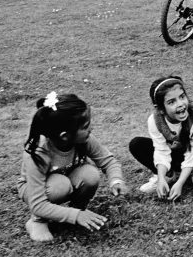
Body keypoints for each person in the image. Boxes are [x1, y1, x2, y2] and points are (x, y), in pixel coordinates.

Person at [18, 92, 128, 243]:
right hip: (36, 190)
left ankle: (78, 208)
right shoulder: (38, 152)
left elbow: (108, 161)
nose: (91, 128)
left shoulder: (84, 139)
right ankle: (38, 221)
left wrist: (116, 180)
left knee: (90, 174)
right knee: (59, 185)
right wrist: (75, 216)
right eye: (86, 126)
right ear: (65, 135)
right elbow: (38, 204)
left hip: (67, 178)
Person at [129, 76, 193, 200]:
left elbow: (191, 152)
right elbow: (161, 150)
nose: (181, 104)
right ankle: (167, 175)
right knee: (137, 144)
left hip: (192, 157)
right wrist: (161, 178)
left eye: (182, 97)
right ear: (161, 109)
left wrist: (180, 183)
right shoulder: (154, 121)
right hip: (172, 156)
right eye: (171, 102)